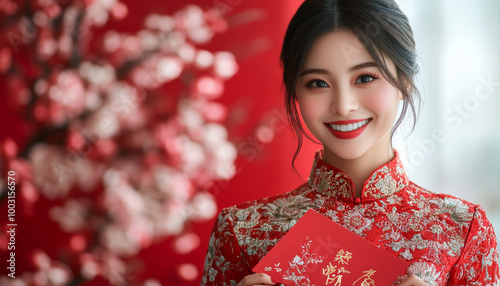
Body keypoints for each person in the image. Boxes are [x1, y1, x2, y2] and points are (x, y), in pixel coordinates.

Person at [200, 0, 500, 285]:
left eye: (365, 78)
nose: (343, 106)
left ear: (404, 82)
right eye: (318, 83)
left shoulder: (462, 228)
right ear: (295, 92)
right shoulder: (243, 230)